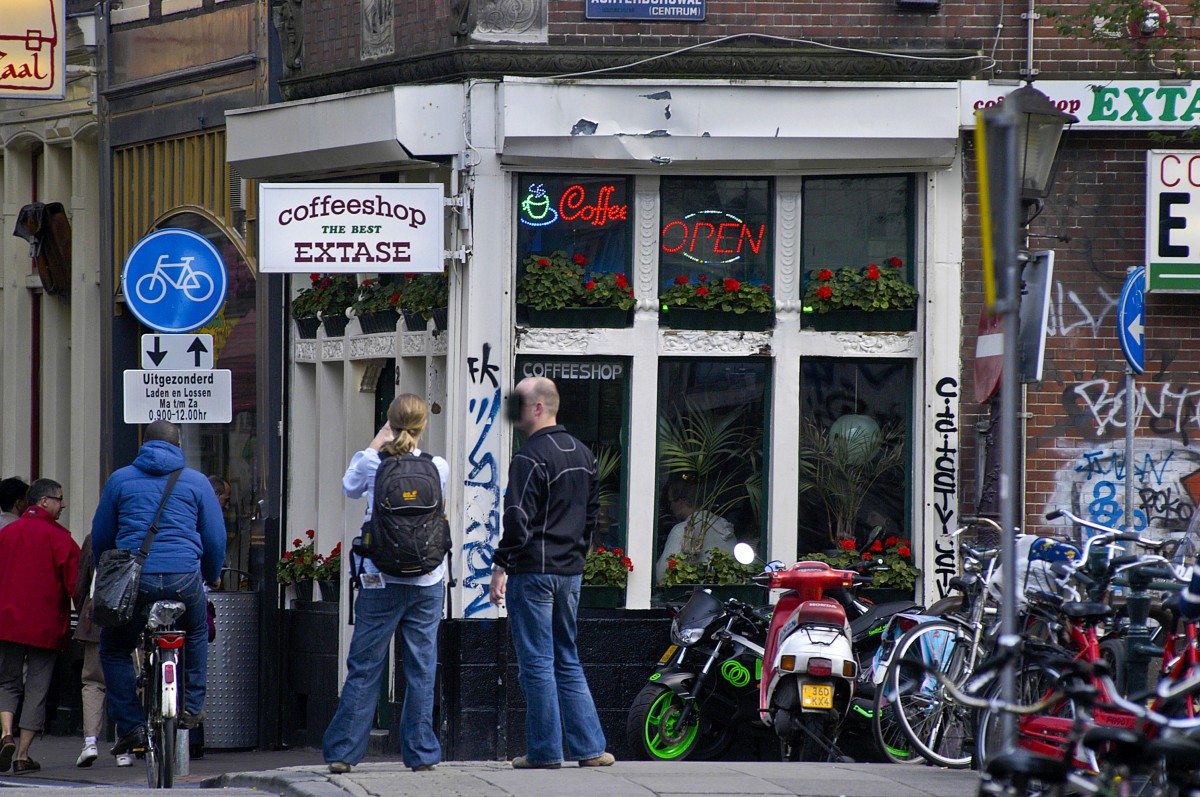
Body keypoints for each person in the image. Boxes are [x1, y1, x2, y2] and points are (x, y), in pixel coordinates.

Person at [488, 376, 615, 769]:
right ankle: (591, 749)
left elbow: (517, 520)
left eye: (519, 404)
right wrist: (577, 556)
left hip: (534, 572)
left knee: (537, 663)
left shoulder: (529, 457)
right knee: (567, 658)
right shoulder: (582, 453)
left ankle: (544, 752)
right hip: (569, 572)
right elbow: (592, 515)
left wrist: (500, 566)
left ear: (539, 408)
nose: (514, 412)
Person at [323, 394, 447, 775]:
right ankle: (421, 752)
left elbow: (348, 487)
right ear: (424, 425)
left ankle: (344, 752)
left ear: (390, 423)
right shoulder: (436, 466)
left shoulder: (374, 463)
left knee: (365, 664)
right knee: (422, 667)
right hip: (428, 578)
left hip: (380, 579)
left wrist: (376, 443)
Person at [91, 420, 225, 759]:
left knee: (114, 648)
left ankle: (131, 724)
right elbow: (214, 537)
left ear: (144, 444)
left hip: (136, 579)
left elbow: (103, 535)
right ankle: (192, 707)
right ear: (178, 444)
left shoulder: (120, 480)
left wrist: (106, 572)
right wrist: (212, 574)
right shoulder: (195, 481)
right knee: (195, 632)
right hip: (184, 577)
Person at [0, 479, 80, 774]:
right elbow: (75, 583)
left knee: (7, 682)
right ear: (43, 501)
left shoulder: (7, 534)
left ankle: (6, 732)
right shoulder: (60, 538)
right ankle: (22, 754)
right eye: (59, 499)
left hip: (6, 622)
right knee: (37, 688)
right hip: (44, 625)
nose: (63, 505)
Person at [73, 531, 133, 768]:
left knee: (93, 682)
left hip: (97, 618)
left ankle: (90, 742)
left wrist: (84, 613)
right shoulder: (143, 534)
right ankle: (124, 746)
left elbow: (81, 585)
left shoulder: (93, 538)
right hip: (130, 617)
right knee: (128, 682)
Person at [654, 476, 737, 584]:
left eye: (671, 502)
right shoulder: (725, 527)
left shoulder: (682, 531)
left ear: (681, 501)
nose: (670, 508)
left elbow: (662, 575)